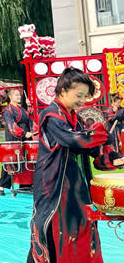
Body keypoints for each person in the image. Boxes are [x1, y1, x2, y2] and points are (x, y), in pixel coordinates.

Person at [27, 68, 124, 263]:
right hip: (54, 186)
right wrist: (98, 133)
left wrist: (114, 156)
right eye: (79, 95)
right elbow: (71, 139)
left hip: (77, 184)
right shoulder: (51, 115)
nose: (82, 101)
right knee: (55, 232)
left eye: (85, 96)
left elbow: (90, 147)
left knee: (83, 230)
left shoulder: (76, 118)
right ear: (63, 90)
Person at [0, 88, 34, 196]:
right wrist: (23, 133)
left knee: (26, 160)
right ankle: (1, 185)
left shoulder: (22, 109)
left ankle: (25, 184)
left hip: (25, 137)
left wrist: (30, 107)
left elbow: (30, 119)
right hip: (13, 137)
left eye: (19, 95)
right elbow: (11, 126)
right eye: (16, 95)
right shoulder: (7, 111)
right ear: (10, 97)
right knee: (11, 161)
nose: (19, 96)